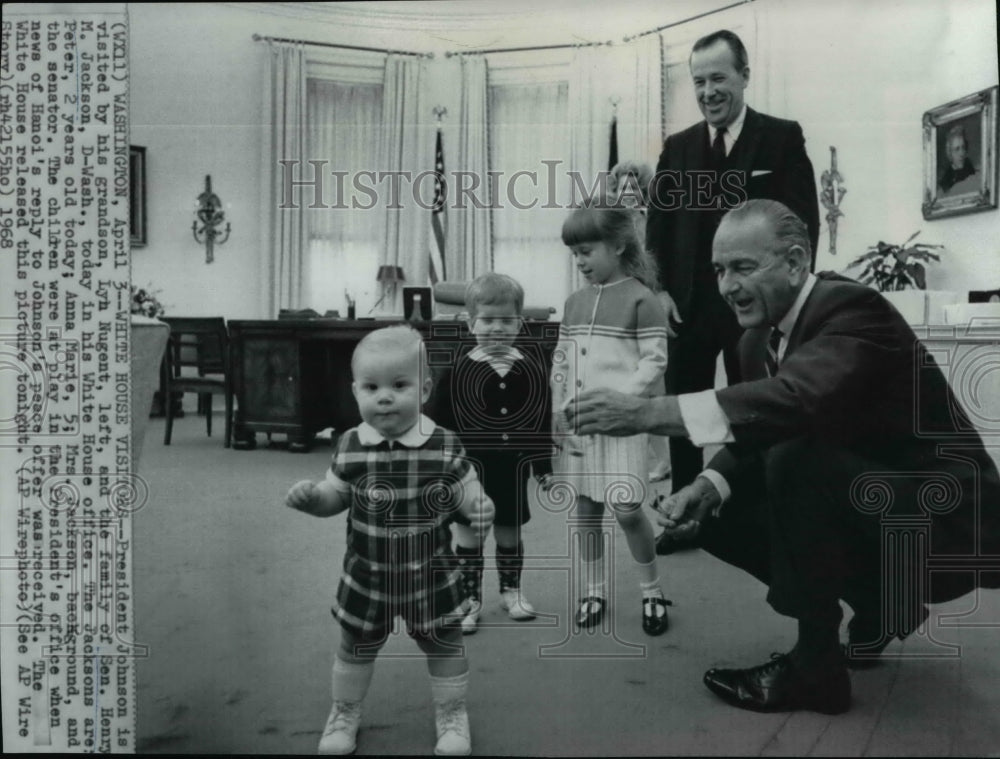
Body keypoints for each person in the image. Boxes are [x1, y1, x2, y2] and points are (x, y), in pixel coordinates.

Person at [567, 199, 1000, 714]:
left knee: (795, 457)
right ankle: (881, 604)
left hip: (946, 518)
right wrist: (706, 487)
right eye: (720, 270)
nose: (727, 286)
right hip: (869, 497)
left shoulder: (853, 310)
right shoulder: (753, 341)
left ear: (795, 262)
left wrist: (643, 413)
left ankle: (816, 671)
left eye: (744, 267)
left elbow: (794, 402)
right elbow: (756, 427)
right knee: (717, 515)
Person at [645, 30, 820, 554]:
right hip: (690, 307)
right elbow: (658, 225)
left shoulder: (782, 138)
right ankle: (681, 515)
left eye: (718, 78)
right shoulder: (677, 148)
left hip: (755, 311)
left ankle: (754, 509)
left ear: (744, 75)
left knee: (755, 411)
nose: (708, 91)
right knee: (682, 411)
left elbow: (802, 227)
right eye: (699, 81)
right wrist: (659, 289)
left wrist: (786, 302)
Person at [285, 325, 495, 755]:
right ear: (355, 390)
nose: (385, 397)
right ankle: (344, 711)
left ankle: (452, 713)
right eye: (371, 386)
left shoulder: (443, 444)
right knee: (355, 644)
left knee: (444, 642)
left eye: (399, 385)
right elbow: (336, 497)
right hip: (368, 573)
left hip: (430, 571)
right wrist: (313, 500)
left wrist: (477, 504)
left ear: (425, 388)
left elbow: (465, 491)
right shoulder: (350, 445)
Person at [552, 197, 672, 636]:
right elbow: (562, 361)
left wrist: (621, 402)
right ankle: (595, 590)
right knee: (585, 510)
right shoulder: (574, 302)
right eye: (575, 253)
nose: (579, 261)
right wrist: (556, 409)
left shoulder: (643, 300)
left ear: (619, 245)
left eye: (587, 251)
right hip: (580, 426)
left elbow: (654, 361)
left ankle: (651, 591)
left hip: (621, 423)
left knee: (625, 509)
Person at [432, 273, 554, 634]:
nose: (497, 328)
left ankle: (511, 591)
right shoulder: (456, 369)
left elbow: (539, 422)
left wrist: (542, 468)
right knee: (469, 537)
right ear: (471, 323)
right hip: (469, 473)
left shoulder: (531, 369)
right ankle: (468, 600)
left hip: (512, 472)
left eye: (506, 320)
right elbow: (438, 421)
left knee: (509, 535)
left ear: (520, 323)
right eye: (487, 320)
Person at [610, 160, 672, 483]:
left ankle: (663, 459)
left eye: (634, 187)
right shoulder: (610, 226)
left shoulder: (655, 221)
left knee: (655, 384)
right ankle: (634, 457)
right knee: (627, 380)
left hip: (651, 303)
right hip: (621, 308)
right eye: (623, 187)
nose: (629, 193)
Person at [938, 124, 978, 196]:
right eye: (957, 149)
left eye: (963, 147)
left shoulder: (972, 173)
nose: (961, 153)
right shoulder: (945, 182)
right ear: (950, 153)